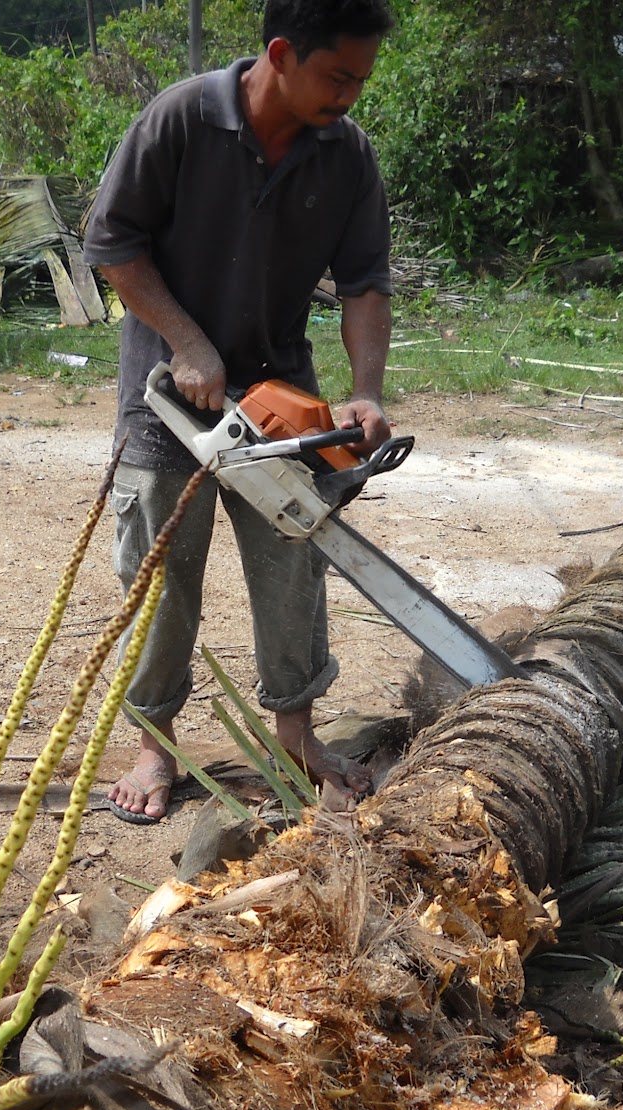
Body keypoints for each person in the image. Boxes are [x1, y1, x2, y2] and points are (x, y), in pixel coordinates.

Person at [83, 0, 397, 822]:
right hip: (166, 400)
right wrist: (186, 342)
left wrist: (365, 390)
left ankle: (296, 735)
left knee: (292, 562)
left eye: (361, 80)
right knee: (159, 576)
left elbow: (364, 282)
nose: (350, 97)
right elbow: (113, 242)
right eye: (337, 77)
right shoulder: (183, 119)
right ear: (283, 52)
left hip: (278, 397)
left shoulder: (346, 156)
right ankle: (156, 745)